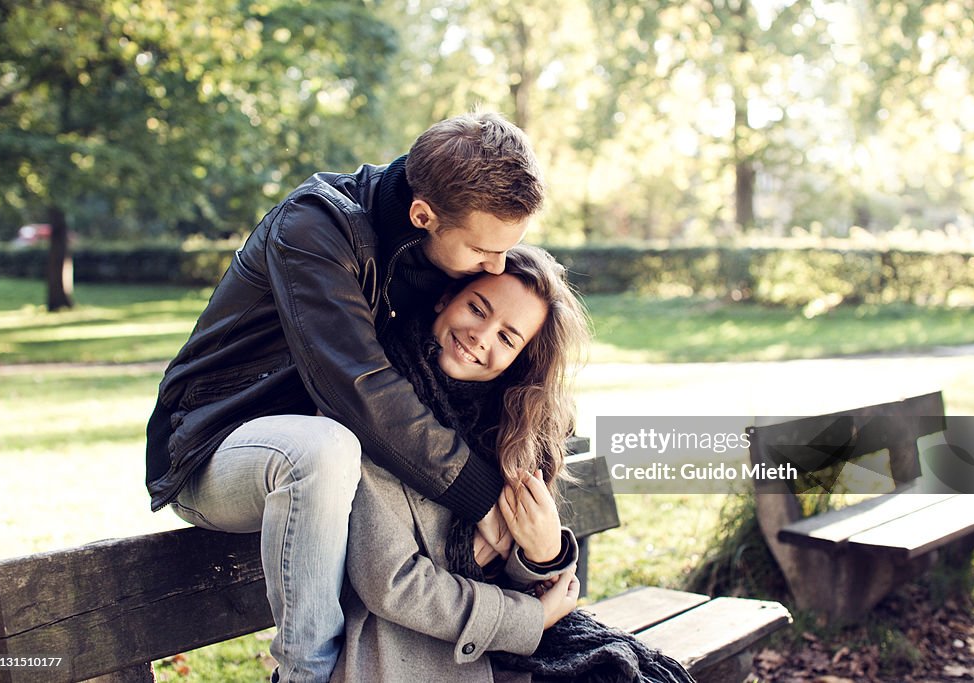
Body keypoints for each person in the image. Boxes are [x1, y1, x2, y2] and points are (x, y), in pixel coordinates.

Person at [144, 112, 544, 682]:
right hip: (211, 450)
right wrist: (485, 499)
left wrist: (533, 528)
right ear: (423, 214)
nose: (496, 265)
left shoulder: (432, 249)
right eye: (484, 250)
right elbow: (360, 392)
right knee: (323, 448)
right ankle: (304, 677)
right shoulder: (313, 228)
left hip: (334, 489)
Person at [331, 245, 696, 683]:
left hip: (494, 653)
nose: (481, 337)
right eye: (476, 309)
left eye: (507, 337)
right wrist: (530, 618)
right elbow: (391, 582)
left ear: (518, 358)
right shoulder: (377, 403)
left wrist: (542, 554)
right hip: (405, 658)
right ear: (446, 298)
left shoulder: (508, 427)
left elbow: (527, 573)